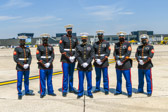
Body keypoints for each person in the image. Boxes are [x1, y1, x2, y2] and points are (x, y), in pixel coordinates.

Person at [59, 24, 78, 97]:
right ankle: (64, 90)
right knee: (65, 75)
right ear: (66, 30)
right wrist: (68, 57)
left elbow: (77, 48)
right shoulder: (63, 38)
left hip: (72, 59)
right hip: (65, 59)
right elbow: (61, 49)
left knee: (71, 75)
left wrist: (74, 57)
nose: (69, 30)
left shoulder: (75, 38)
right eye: (68, 29)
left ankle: (71, 88)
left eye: (70, 29)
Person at [13, 35, 35, 100]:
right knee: (19, 81)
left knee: (27, 80)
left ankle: (27, 91)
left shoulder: (27, 49)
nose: (23, 42)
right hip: (20, 67)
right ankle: (19, 93)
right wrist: (22, 65)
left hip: (27, 68)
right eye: (21, 40)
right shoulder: (17, 49)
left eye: (24, 41)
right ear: (19, 41)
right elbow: (15, 58)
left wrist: (28, 64)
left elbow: (30, 58)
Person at [36, 33, 56, 98]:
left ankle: (50, 91)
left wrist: (49, 63)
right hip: (42, 66)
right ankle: (42, 92)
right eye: (44, 39)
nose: (45, 40)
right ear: (42, 39)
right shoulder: (39, 47)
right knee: (42, 80)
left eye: (46, 39)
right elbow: (38, 57)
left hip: (50, 66)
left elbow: (52, 56)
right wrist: (44, 64)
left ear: (47, 39)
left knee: (50, 80)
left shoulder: (50, 47)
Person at [113, 32, 132, 98]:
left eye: (122, 37)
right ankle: (118, 91)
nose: (121, 38)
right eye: (120, 37)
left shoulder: (128, 44)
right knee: (118, 79)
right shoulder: (116, 44)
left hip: (126, 64)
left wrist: (121, 61)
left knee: (128, 79)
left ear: (124, 37)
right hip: (118, 65)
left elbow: (128, 54)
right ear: (119, 37)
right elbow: (114, 53)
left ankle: (129, 92)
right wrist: (117, 60)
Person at [76, 33, 94, 99]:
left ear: (87, 38)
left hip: (88, 66)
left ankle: (89, 92)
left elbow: (92, 55)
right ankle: (80, 92)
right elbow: (77, 55)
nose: (84, 39)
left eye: (85, 38)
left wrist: (87, 63)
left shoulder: (90, 46)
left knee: (89, 80)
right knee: (81, 80)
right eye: (82, 38)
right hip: (80, 66)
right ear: (81, 39)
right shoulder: (78, 46)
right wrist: (82, 63)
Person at [93, 30, 111, 95]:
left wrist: (101, 60)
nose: (100, 37)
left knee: (105, 76)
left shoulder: (106, 43)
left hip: (104, 62)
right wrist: (96, 60)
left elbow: (107, 53)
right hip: (97, 62)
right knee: (98, 76)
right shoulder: (95, 44)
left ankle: (106, 89)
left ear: (103, 36)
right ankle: (97, 88)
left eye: (101, 36)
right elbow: (93, 53)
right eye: (99, 36)